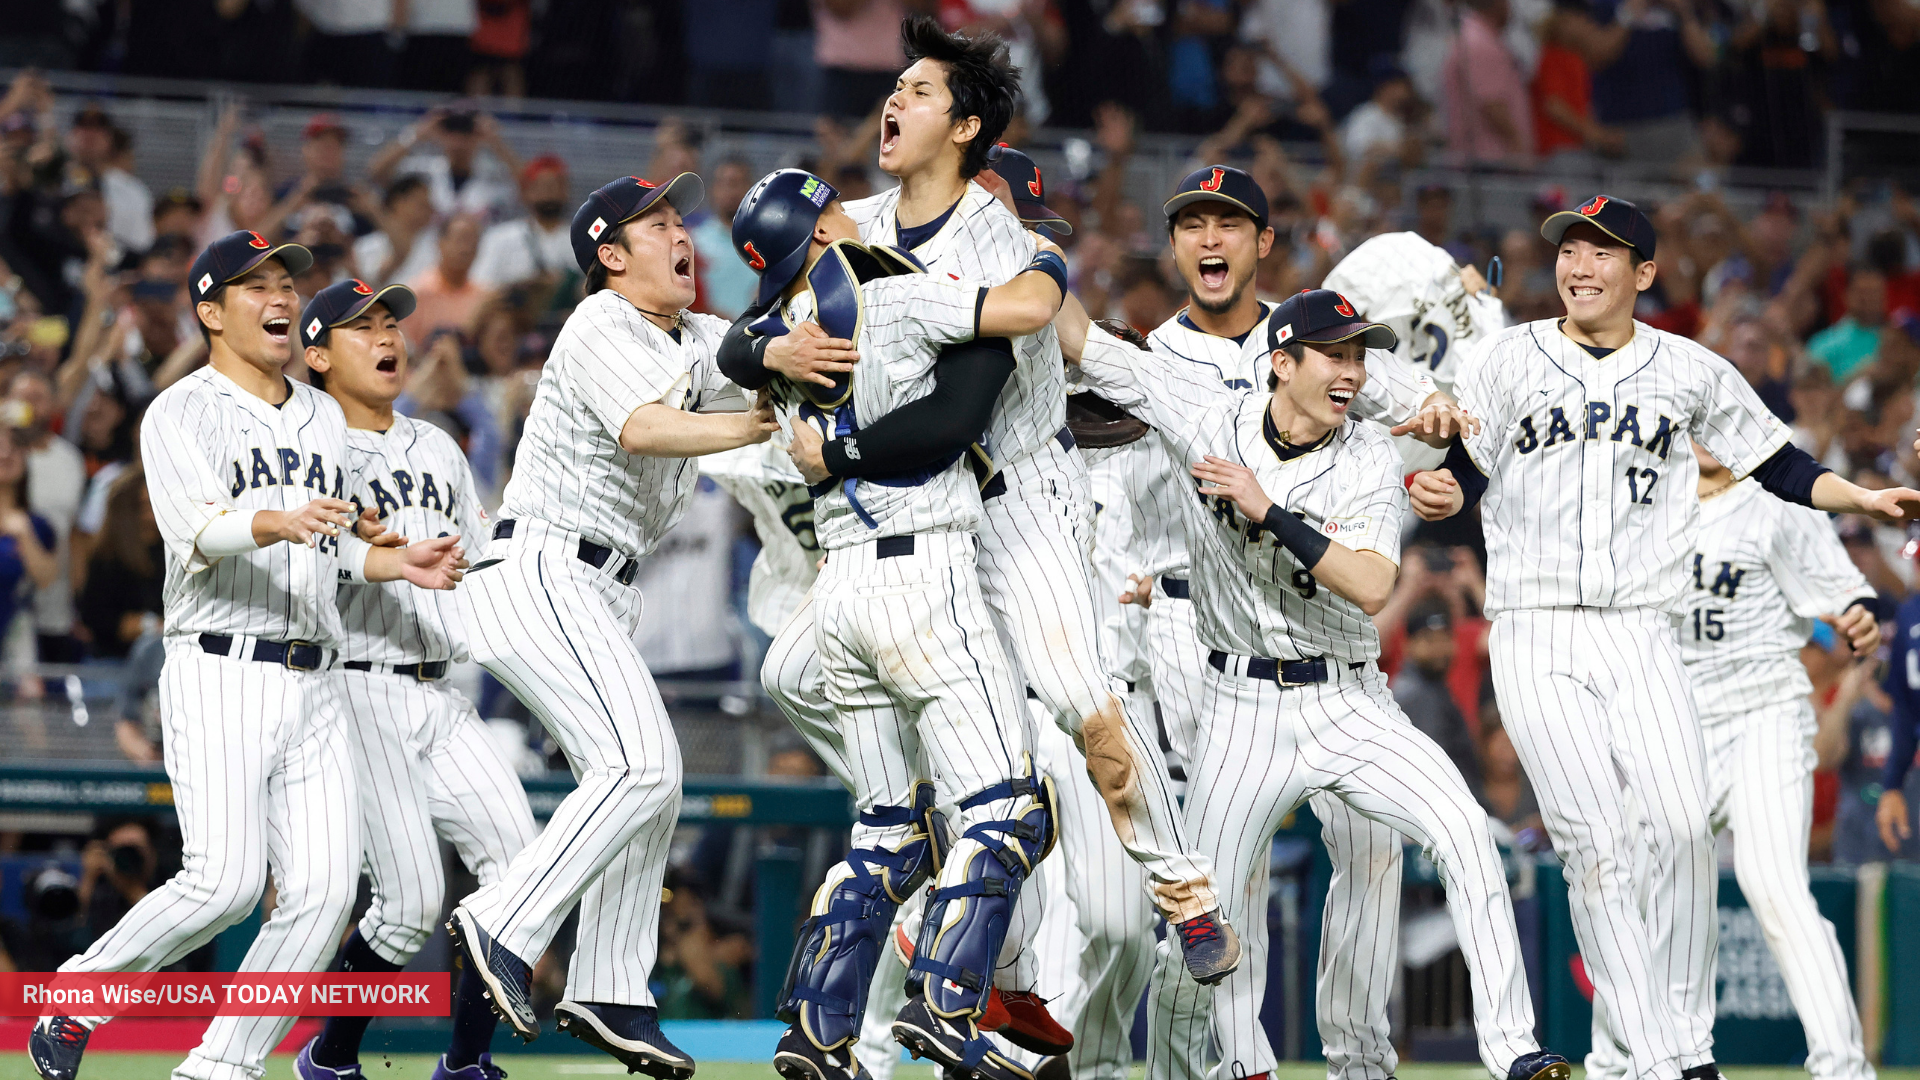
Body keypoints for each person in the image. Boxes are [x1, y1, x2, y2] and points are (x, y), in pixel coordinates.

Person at [731, 15, 1240, 1008]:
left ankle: (1184, 896)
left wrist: (1218, 441)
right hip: (909, 510)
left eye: (920, 91)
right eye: (899, 86)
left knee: (1081, 704)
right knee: (797, 670)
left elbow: (1070, 348)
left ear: (964, 130)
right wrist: (768, 353)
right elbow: (758, 325)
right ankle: (929, 883)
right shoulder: (860, 227)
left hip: (1020, 500)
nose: (894, 100)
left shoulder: (1001, 242)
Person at [1412, 194, 1920, 1080]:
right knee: (1597, 846)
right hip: (1538, 628)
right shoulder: (1509, 357)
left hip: (1646, 633)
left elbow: (1784, 467)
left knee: (1684, 832)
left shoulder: (1690, 369)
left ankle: (1683, 1043)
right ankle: (1665, 1059)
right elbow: (1462, 481)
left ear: (1643, 274)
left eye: (1603, 251)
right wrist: (1445, 497)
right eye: (1570, 249)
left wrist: (1861, 499)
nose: (1580, 264)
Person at [1064, 289, 1571, 1080]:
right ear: (1281, 363)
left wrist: (1268, 510)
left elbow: (1371, 583)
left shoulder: (1366, 452)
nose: (1353, 370)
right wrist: (1006, 231)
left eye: (1360, 355)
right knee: (1202, 930)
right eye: (1335, 354)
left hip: (1349, 700)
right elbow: (1083, 340)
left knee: (1467, 835)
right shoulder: (1206, 413)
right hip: (1241, 710)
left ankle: (1514, 1050)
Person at [28, 231, 465, 1080]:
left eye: (285, 281)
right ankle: (77, 993)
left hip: (320, 674)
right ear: (208, 310)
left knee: (328, 892)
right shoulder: (178, 411)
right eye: (255, 283)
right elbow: (196, 529)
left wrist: (388, 559)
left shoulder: (322, 415)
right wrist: (277, 519)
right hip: (220, 664)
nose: (280, 296)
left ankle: (223, 1064)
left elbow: (332, 546)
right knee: (224, 884)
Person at [729, 167, 1072, 1080]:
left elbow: (734, 348)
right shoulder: (902, 295)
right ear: (823, 225)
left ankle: (815, 1028)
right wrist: (1044, 253)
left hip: (837, 592)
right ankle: (947, 1007)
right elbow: (1024, 320)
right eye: (833, 206)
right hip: (926, 575)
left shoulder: (775, 331)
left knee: (885, 829)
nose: (851, 211)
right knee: (1008, 811)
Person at [1118, 165, 1455, 1080]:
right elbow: (1108, 491)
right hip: (1195, 633)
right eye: (1193, 222)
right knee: (1225, 887)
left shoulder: (1322, 342)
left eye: (1231, 222)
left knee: (1373, 847)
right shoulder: (1151, 360)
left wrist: (1434, 461)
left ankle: (1357, 1057)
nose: (1211, 237)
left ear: (1264, 243)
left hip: (1327, 631)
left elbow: (1426, 416)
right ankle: (1215, 1067)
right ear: (1178, 243)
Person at [446, 174, 775, 1078]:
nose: (681, 234)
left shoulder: (697, 335)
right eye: (658, 223)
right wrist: (756, 419)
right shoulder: (599, 322)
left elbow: (761, 350)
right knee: (642, 763)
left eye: (681, 220)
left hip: (601, 588)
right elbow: (645, 426)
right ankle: (502, 922)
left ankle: (612, 988)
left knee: (651, 786)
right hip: (541, 566)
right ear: (611, 257)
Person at [292, 278, 539, 1080]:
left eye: (391, 321)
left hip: (443, 689)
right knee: (405, 907)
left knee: (523, 869)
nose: (387, 335)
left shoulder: (435, 445)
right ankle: (329, 1060)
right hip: (357, 685)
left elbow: (480, 559)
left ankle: (465, 1063)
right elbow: (304, 565)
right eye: (363, 327)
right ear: (319, 354)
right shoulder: (308, 446)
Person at [1586, 439, 1879, 1080]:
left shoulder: (1777, 499)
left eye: (1722, 422)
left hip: (1763, 712)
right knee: (1632, 893)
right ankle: (1614, 1062)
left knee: (1775, 887)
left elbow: (1849, 591)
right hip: (1669, 720)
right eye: (1696, 422)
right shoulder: (1639, 498)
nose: (1709, 437)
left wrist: (1862, 617)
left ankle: (1843, 1067)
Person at [7, 370, 85, 661]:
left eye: (37, 399)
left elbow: (76, 536)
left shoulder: (69, 460)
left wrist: (78, 605)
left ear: (52, 405)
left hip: (56, 610)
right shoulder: (4, 459)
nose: (28, 406)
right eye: (21, 398)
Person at [471, 154, 576, 289]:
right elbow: (481, 284)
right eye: (541, 186)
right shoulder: (500, 238)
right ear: (526, 192)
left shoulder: (581, 240)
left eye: (554, 186)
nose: (548, 193)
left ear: (566, 191)